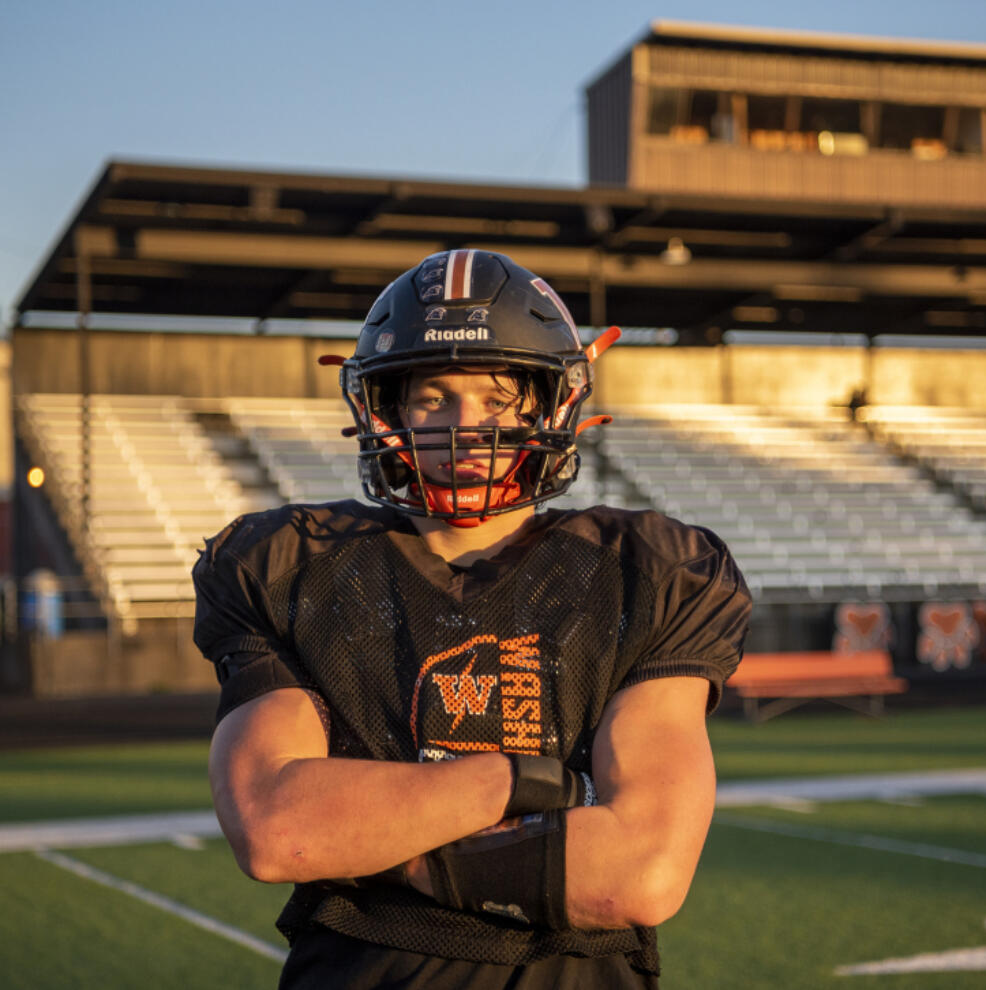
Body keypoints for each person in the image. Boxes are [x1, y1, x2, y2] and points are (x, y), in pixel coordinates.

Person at [194, 248, 752, 989]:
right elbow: (278, 831)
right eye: (434, 399)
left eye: (498, 401)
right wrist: (517, 783)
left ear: (552, 405)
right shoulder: (286, 567)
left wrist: (372, 836)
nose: (467, 430)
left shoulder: (651, 572)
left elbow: (637, 874)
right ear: (387, 408)